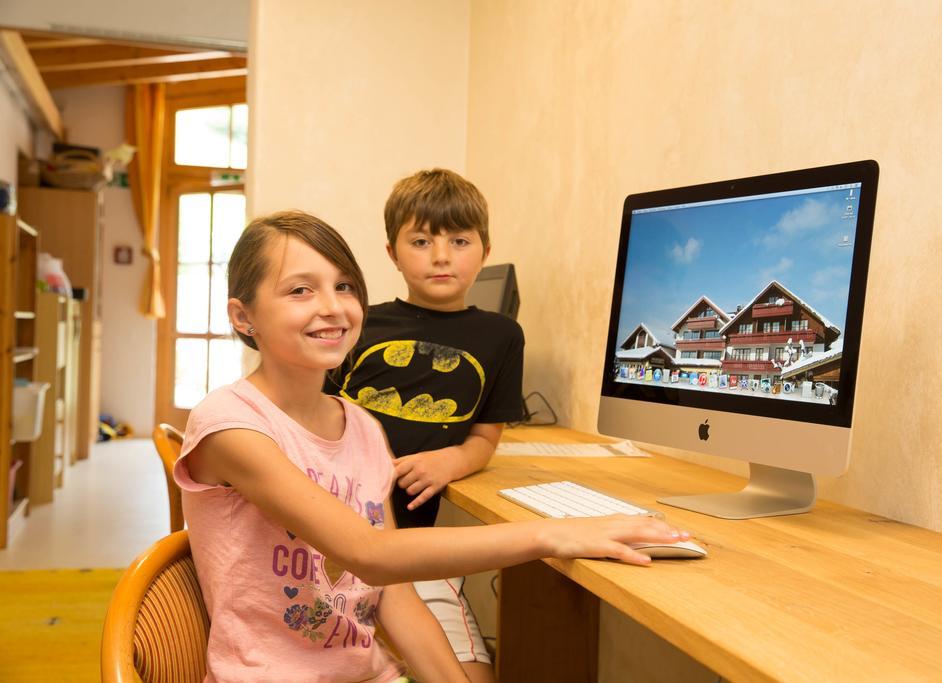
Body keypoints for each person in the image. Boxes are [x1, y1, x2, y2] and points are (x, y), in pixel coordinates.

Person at [174, 210, 687, 683]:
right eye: (300, 291)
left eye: (345, 286)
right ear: (244, 317)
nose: (332, 307)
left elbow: (391, 590)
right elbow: (369, 554)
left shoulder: (362, 427)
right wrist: (551, 535)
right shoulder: (231, 425)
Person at [324, 169, 518, 682]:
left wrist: (450, 460)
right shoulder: (358, 321)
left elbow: (485, 436)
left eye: (459, 240)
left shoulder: (501, 336)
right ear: (392, 252)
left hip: (410, 551)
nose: (441, 255)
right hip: (330, 539)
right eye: (421, 240)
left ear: (485, 248)